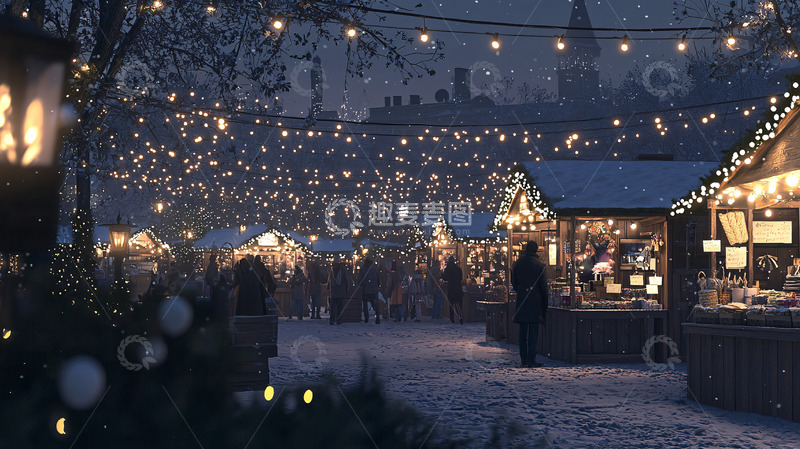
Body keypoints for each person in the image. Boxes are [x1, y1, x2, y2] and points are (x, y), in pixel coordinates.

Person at [511, 241, 549, 368]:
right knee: (533, 331)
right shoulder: (540, 265)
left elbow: (514, 282)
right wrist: (544, 302)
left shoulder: (517, 264)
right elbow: (543, 287)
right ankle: (531, 359)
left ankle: (524, 358)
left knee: (522, 332)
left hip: (522, 298)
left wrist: (521, 290)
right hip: (535, 300)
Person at [442, 256, 464, 324]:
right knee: (458, 304)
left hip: (451, 287)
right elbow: (461, 277)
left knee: (451, 304)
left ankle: (452, 319)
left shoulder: (447, 269)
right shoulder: (458, 269)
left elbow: (445, 278)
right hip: (458, 287)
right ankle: (460, 318)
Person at [359, 258, 381, 324]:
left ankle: (366, 317)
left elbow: (360, 279)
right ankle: (377, 316)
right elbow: (378, 279)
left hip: (365, 289)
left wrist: (360, 285)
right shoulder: (374, 270)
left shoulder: (363, 270)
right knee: (374, 303)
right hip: (374, 290)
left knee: (365, 304)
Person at [328, 255, 349, 325]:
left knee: (333, 307)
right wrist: (347, 289)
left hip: (333, 292)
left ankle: (332, 320)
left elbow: (329, 280)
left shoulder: (331, 270)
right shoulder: (343, 270)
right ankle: (339, 320)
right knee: (339, 307)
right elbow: (346, 280)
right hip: (340, 291)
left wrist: (328, 288)